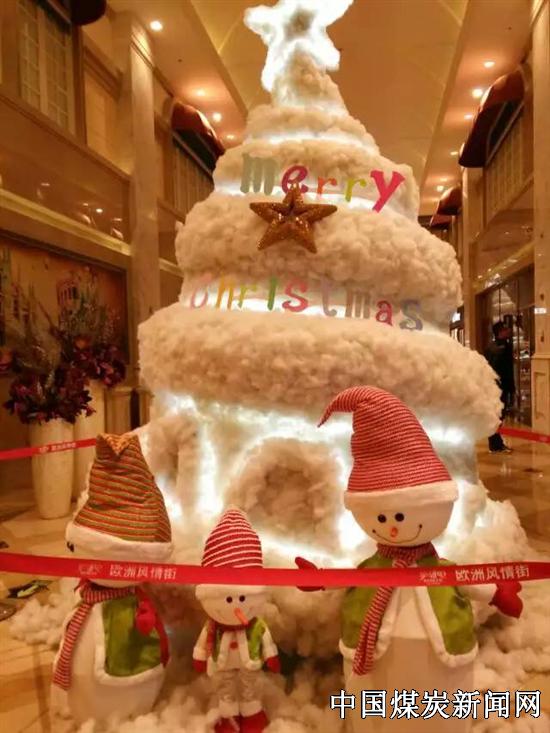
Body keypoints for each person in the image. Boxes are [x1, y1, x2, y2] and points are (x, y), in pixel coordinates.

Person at [485, 320, 515, 453]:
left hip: (494, 386)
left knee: (497, 415)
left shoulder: (490, 347)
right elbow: (506, 370)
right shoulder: (502, 348)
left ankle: (496, 443)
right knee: (498, 415)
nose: (508, 330)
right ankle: (495, 445)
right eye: (505, 329)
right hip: (500, 387)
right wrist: (511, 388)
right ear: (499, 332)